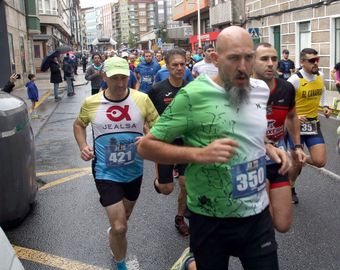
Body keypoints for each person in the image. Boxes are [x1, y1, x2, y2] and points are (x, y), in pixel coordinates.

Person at [137, 26, 290, 270]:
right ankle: (191, 261)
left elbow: (246, 130)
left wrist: (270, 147)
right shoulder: (193, 95)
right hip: (210, 218)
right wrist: (198, 154)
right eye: (234, 58)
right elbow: (145, 147)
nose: (243, 66)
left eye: (248, 57)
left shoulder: (260, 90)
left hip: (256, 215)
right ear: (216, 60)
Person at [73, 56, 158, 270]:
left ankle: (114, 233)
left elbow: (158, 125)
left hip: (134, 170)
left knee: (124, 219)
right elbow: (78, 125)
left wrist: (150, 136)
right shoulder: (91, 103)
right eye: (115, 78)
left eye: (124, 78)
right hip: (105, 171)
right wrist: (83, 145)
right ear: (104, 76)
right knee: (120, 227)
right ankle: (121, 264)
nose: (120, 83)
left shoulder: (141, 99)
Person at [252, 42, 307, 232]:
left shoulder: (286, 88)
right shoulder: (242, 90)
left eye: (274, 59)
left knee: (283, 225)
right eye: (264, 59)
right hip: (252, 162)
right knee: (263, 226)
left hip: (278, 161)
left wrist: (298, 146)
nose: (270, 63)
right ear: (252, 61)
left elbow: (292, 116)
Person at [148, 48, 190, 236]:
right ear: (167, 65)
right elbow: (146, 115)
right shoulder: (157, 90)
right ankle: (158, 182)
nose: (179, 68)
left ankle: (180, 218)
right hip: (164, 145)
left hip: (186, 143)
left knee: (185, 184)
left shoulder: (192, 88)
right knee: (167, 189)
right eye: (175, 65)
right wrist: (149, 136)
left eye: (182, 64)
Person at [287, 48, 331, 204]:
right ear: (302, 62)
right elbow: (282, 102)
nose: (315, 63)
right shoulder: (294, 80)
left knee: (320, 161)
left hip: (313, 124)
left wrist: (325, 105)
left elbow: (323, 90)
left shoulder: (320, 75)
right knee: (296, 164)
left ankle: (299, 159)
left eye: (317, 60)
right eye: (312, 61)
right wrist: (294, 116)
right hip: (295, 126)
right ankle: (291, 188)